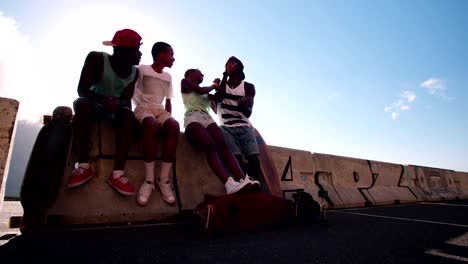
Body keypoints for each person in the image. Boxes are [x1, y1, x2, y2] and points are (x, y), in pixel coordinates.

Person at [68, 29, 142, 196]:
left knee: (128, 115)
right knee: (81, 103)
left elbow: (126, 99)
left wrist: (117, 105)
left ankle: (117, 174)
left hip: (113, 111)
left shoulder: (134, 72)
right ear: (122, 51)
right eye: (137, 49)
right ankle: (84, 166)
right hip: (93, 105)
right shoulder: (97, 59)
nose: (140, 53)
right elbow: (82, 90)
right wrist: (103, 100)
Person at [181, 69, 260, 194]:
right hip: (193, 117)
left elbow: (219, 97)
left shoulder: (206, 94)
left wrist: (221, 82)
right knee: (210, 145)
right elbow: (201, 90)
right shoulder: (185, 83)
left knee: (224, 146)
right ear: (189, 74)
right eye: (199, 72)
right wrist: (213, 85)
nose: (203, 74)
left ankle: (243, 179)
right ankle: (228, 184)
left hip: (207, 118)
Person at [133, 42, 180, 206]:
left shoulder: (168, 77)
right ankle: (148, 181)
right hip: (143, 109)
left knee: (174, 126)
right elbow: (130, 89)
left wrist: (168, 119)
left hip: (159, 110)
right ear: (161, 54)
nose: (173, 58)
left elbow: (167, 101)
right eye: (171, 54)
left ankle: (164, 180)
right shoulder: (142, 69)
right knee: (151, 124)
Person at [214, 56, 262, 184]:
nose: (231, 66)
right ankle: (242, 185)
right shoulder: (220, 83)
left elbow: (248, 113)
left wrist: (243, 106)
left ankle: (257, 187)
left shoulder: (248, 87)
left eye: (234, 64)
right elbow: (218, 98)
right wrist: (225, 75)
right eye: (229, 65)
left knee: (253, 158)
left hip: (244, 126)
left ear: (240, 68)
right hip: (226, 127)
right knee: (236, 158)